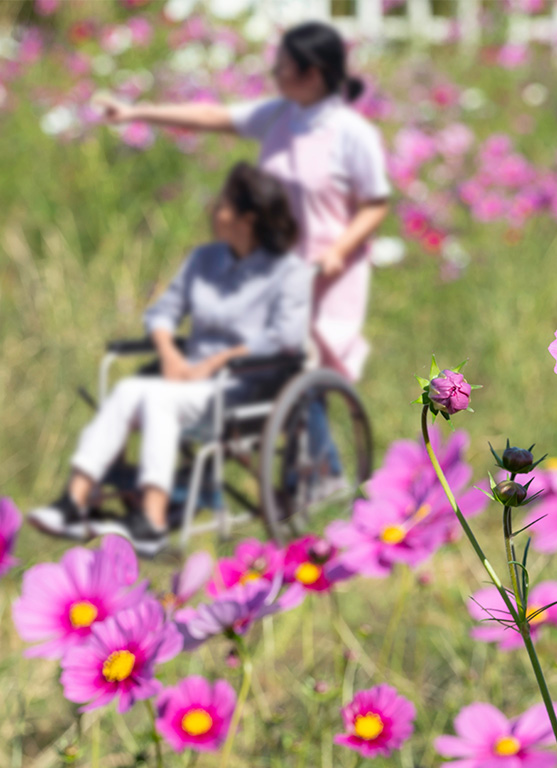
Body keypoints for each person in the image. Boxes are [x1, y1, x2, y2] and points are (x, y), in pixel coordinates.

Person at [28, 162, 312, 557]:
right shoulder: (205, 260)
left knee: (160, 401)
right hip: (185, 376)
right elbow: (163, 312)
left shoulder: (289, 272)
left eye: (224, 207)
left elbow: (285, 337)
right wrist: (168, 353)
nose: (215, 212)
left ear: (249, 218)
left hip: (247, 385)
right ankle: (73, 502)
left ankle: (153, 520)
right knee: (128, 389)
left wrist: (217, 362)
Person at [94, 20, 390, 384]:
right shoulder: (280, 115)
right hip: (269, 265)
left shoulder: (354, 134)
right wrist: (136, 113)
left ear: (313, 74)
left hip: (324, 272)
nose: (275, 73)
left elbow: (375, 204)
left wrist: (338, 251)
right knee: (263, 370)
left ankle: (318, 440)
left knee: (308, 372)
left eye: (282, 66)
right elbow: (211, 116)